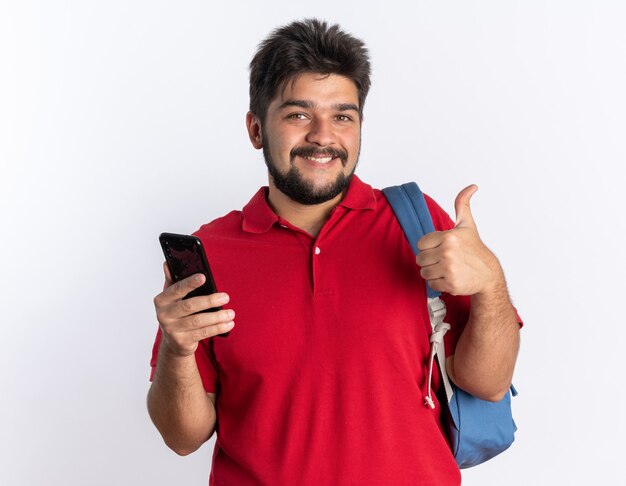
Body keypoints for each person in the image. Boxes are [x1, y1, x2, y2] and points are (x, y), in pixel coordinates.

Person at [148, 18, 520, 486]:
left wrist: (490, 283)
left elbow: (487, 384)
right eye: (298, 114)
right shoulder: (213, 251)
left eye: (343, 116)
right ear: (256, 129)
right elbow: (183, 437)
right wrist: (178, 352)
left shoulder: (417, 223)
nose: (323, 136)